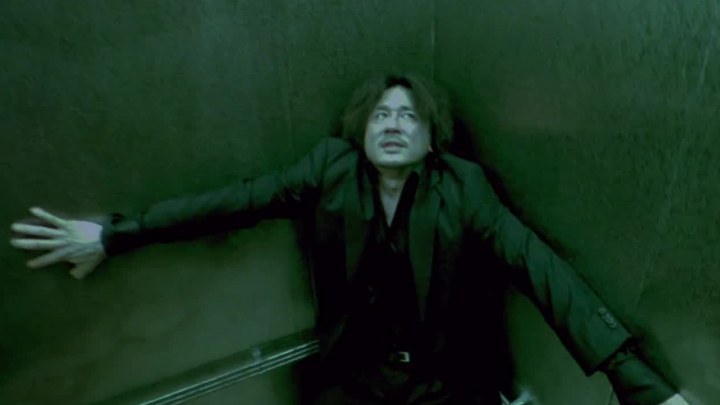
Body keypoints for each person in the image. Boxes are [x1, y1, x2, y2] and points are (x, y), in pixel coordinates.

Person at [10, 74, 689, 405]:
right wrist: (113, 234)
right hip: (352, 382)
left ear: (432, 138)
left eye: (410, 115)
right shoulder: (329, 170)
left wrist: (645, 388)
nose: (393, 123)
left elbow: (545, 273)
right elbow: (229, 203)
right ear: (361, 130)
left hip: (444, 387)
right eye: (381, 114)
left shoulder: (464, 188)